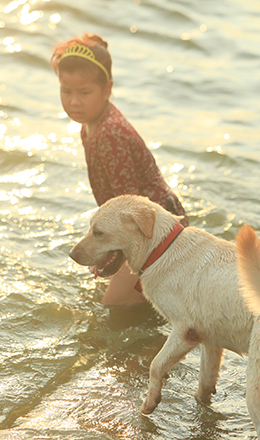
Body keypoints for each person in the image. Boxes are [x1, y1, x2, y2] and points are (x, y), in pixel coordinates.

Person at [51, 34, 188, 306]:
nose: (74, 102)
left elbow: (131, 206)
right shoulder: (90, 124)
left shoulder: (110, 133)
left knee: (115, 307)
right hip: (139, 223)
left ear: (107, 89)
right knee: (126, 305)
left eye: (84, 92)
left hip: (153, 232)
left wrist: (114, 253)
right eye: (66, 91)